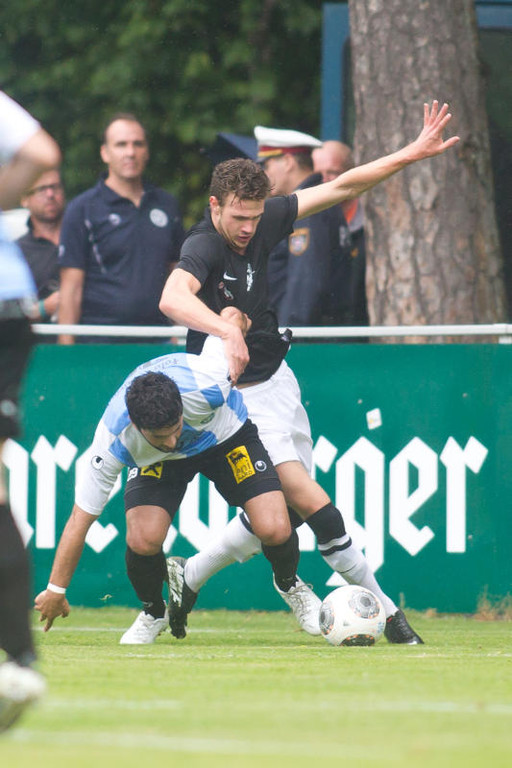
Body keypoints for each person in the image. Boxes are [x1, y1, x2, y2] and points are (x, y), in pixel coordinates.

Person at [158, 101, 460, 643]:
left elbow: (343, 186)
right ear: (214, 205)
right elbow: (171, 298)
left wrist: (413, 153)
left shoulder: (265, 219)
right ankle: (392, 615)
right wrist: (226, 330)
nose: (248, 228)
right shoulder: (202, 244)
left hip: (280, 383)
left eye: (256, 217)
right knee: (315, 504)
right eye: (238, 217)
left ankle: (191, 574)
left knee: (284, 518)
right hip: (241, 403)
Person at [34, 308, 306, 645]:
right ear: (137, 426)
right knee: (142, 538)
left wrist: (239, 327)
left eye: (175, 428)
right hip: (158, 462)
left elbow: (232, 315)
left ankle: (290, 584)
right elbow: (80, 519)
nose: (173, 441)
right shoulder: (114, 440)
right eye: (161, 436)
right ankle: (153, 611)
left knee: (275, 527)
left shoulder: (209, 382)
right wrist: (56, 590)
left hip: (224, 437)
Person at [0, 90, 60, 732]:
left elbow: (43, 152)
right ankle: (19, 662)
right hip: (10, 304)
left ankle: (20, 661)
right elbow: (41, 151)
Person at [57, 112, 184, 344]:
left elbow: (177, 275)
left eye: (138, 144)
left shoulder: (167, 204)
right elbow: (71, 288)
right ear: (105, 153)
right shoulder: (82, 209)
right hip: (100, 341)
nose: (130, 152)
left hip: (157, 339)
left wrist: (180, 333)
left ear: (147, 151)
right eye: (121, 144)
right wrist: (66, 350)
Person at [257, 126, 354, 326]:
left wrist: (287, 334)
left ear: (288, 162)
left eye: (267, 165)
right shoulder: (315, 200)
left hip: (305, 336)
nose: (264, 174)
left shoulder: (308, 207)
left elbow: (304, 285)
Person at [312, 140, 369, 326]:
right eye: (318, 174)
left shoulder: (370, 224)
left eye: (332, 172)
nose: (324, 181)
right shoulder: (306, 224)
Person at [16, 168, 65, 323]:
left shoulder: (84, 237)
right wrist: (44, 308)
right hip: (40, 336)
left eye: (55, 187)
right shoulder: (16, 253)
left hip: (90, 333)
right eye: (41, 189)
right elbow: (9, 313)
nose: (50, 194)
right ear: (24, 199)